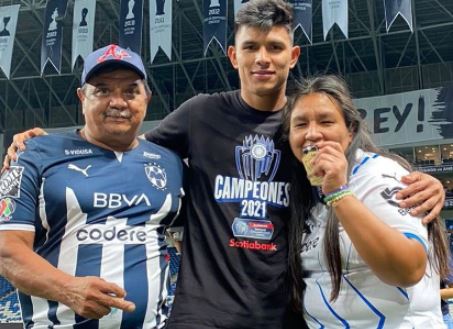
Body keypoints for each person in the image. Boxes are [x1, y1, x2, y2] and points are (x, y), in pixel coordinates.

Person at [1, 1, 446, 328]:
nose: (262, 58)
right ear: (234, 56)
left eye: (275, 47)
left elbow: (358, 158)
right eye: (251, 47)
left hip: (284, 312)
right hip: (202, 313)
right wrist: (50, 147)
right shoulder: (200, 114)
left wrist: (421, 178)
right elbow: (130, 151)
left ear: (293, 56)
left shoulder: (303, 126)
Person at [0, 44, 184, 328]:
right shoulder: (32, 153)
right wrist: (67, 288)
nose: (118, 102)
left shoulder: (169, 163)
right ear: (82, 97)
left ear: (146, 98)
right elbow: (7, 250)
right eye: (103, 90)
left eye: (130, 91)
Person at [284, 75, 449, 328]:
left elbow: (407, 269)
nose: (312, 133)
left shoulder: (379, 175)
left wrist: (339, 193)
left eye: (326, 121)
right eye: (300, 124)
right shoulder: (305, 194)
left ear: (350, 131)